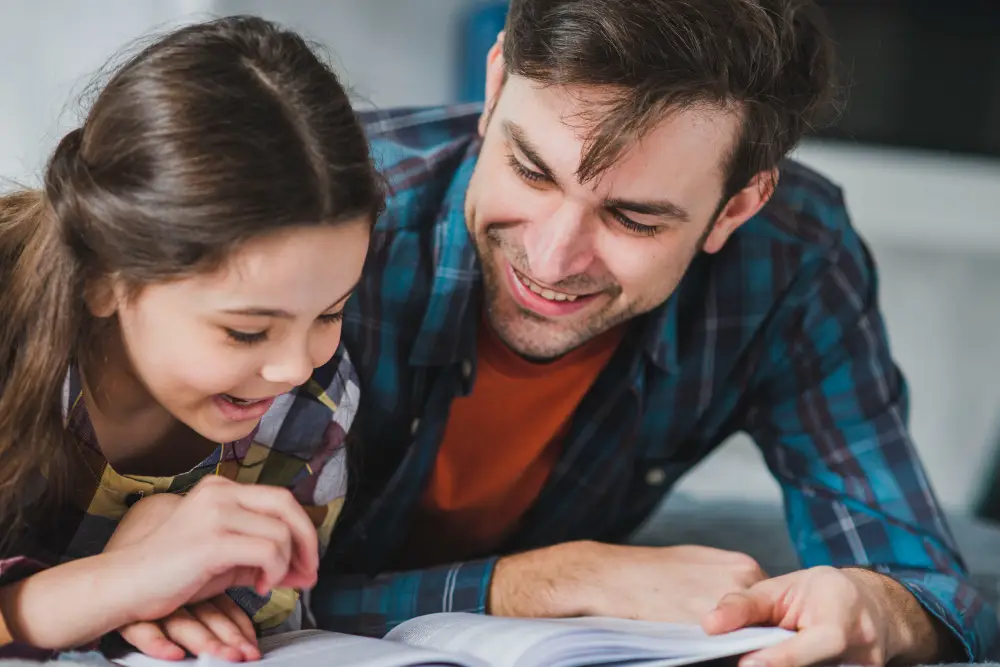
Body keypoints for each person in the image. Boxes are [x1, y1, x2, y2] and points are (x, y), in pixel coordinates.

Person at [308, 1, 999, 665]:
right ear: (495, 86)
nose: (551, 260)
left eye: (633, 219)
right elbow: (235, 595)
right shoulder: (320, 216)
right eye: (530, 169)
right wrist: (552, 581)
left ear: (738, 206)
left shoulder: (794, 260)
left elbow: (928, 584)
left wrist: (877, 605)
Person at [0, 15, 380, 663]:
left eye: (330, 312)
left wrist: (186, 585)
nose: (293, 366)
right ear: (104, 277)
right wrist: (117, 580)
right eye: (246, 330)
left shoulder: (311, 402)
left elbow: (269, 627)